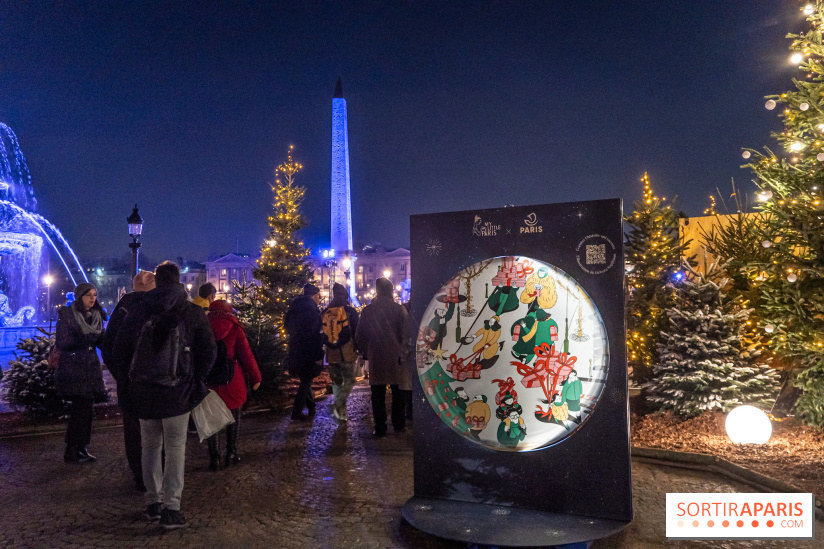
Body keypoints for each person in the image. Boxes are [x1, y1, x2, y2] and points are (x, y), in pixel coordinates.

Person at [112, 261, 216, 530]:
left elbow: (118, 350)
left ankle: (152, 502)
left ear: (156, 281)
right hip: (177, 392)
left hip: (143, 392)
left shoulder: (137, 310)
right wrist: (194, 378)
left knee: (150, 447)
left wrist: (129, 380)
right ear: (179, 281)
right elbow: (209, 352)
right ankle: (172, 507)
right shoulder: (191, 312)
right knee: (175, 448)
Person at [101, 270, 156, 491]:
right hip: (156, 382)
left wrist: (121, 374)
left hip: (129, 382)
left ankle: (140, 475)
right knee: (157, 428)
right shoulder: (158, 308)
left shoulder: (122, 309)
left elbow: (108, 348)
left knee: (134, 431)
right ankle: (157, 473)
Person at [54, 282, 107, 463]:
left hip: (90, 368)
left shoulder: (97, 316)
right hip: (73, 367)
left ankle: (81, 448)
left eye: (94, 294)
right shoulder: (68, 316)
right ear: (79, 297)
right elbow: (63, 341)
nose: (92, 298)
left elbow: (102, 340)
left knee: (86, 410)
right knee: (80, 409)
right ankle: (73, 449)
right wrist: (85, 339)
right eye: (88, 295)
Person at [205, 299, 262, 469]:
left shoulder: (204, 327)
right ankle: (231, 452)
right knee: (234, 416)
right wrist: (256, 377)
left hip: (210, 380)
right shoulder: (235, 327)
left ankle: (214, 458)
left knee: (211, 419)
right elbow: (246, 354)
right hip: (232, 379)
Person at [356, 278, 412, 437]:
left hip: (376, 356)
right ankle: (399, 424)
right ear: (391, 290)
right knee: (398, 393)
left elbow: (359, 336)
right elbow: (407, 333)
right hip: (397, 356)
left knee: (377, 394)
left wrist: (368, 351)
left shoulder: (368, 311)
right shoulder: (399, 309)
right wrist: (404, 352)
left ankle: (380, 427)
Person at [283, 283, 324, 421]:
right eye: (319, 295)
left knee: (305, 379)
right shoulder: (312, 310)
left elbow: (288, 326)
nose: (320, 298)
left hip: (295, 348)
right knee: (306, 381)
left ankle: (311, 408)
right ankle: (296, 412)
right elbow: (314, 335)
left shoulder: (295, 307)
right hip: (308, 351)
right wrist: (318, 354)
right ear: (314, 295)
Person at [321, 283, 359, 422]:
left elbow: (321, 333)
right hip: (347, 352)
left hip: (331, 354)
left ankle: (342, 414)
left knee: (336, 383)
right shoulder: (350, 311)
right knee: (350, 380)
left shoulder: (325, 311)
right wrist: (359, 348)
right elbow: (356, 331)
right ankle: (338, 407)